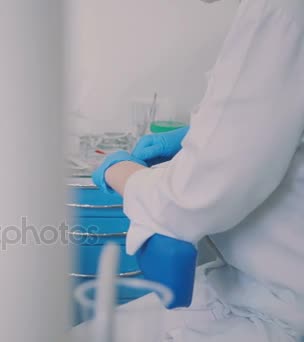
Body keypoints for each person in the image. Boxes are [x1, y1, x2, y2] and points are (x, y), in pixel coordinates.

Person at [89, 0, 304, 340]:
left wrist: (121, 171)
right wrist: (201, 135)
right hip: (256, 291)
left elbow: (189, 200)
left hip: (279, 310)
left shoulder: (276, 9)